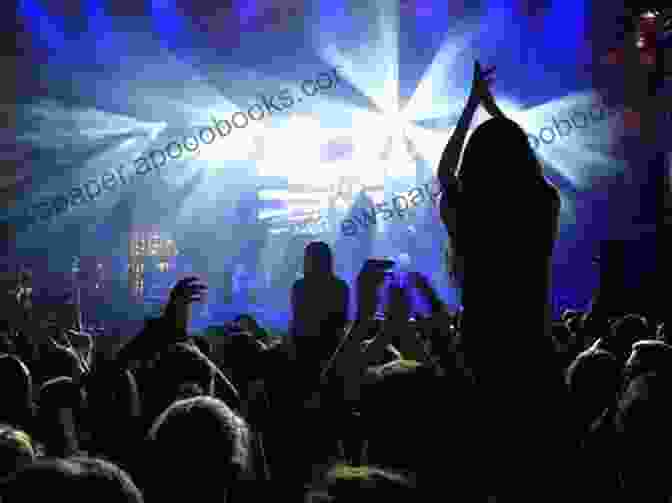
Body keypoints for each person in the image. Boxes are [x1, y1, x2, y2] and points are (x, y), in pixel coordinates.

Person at [436, 60, 565, 495]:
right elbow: (524, 158)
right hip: (534, 353)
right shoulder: (542, 205)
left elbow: (444, 172)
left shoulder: (467, 215)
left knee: (481, 473)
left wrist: (472, 107)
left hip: (479, 353)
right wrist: (493, 110)